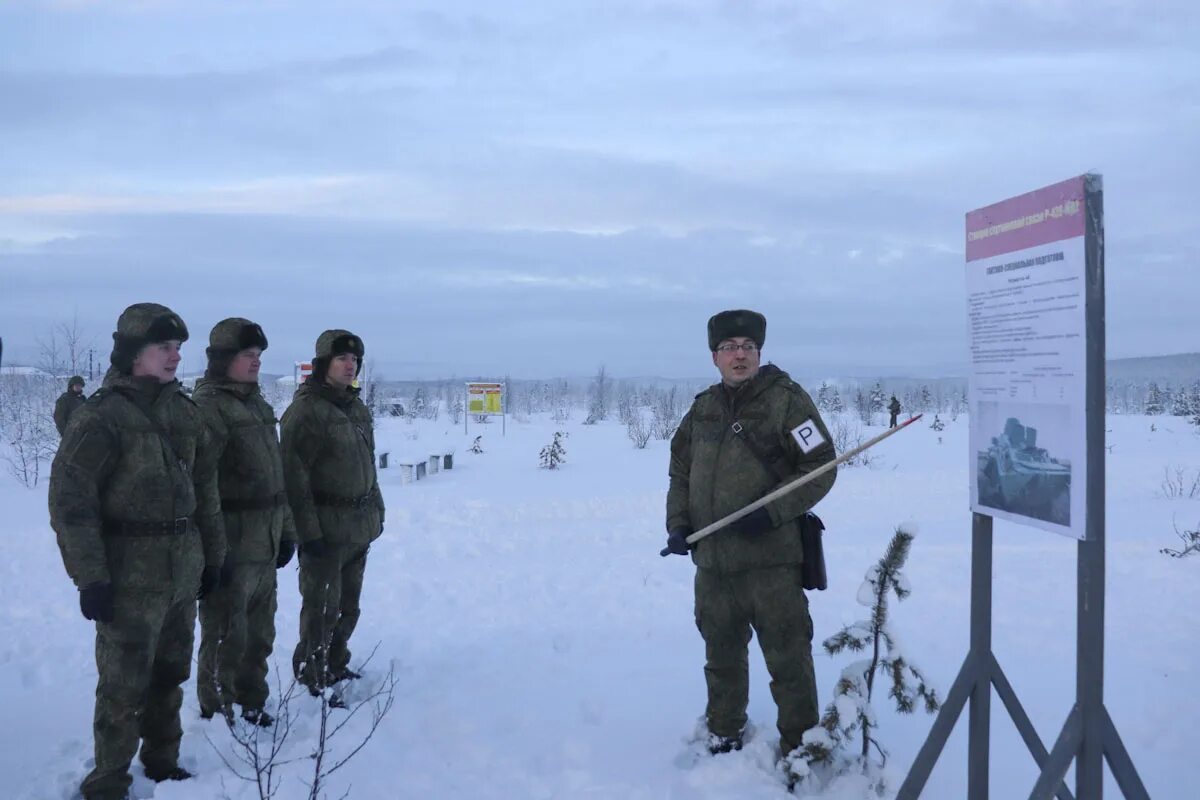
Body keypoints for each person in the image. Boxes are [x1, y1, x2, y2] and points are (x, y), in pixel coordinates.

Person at [48, 303, 226, 800]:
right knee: (123, 683)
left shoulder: (184, 411)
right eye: (162, 347)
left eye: (177, 348)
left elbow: (205, 490)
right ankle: (108, 780)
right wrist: (91, 578)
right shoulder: (101, 417)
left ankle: (163, 760)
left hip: (181, 568)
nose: (174, 357)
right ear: (131, 354)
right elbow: (71, 502)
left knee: (171, 673)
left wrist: (213, 558)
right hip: (128, 574)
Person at [664, 309, 837, 765]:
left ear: (759, 352)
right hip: (714, 564)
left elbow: (820, 466)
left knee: (789, 662)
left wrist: (772, 511)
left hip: (771, 564)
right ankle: (723, 732)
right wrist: (678, 525)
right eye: (729, 348)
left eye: (747, 347)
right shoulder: (703, 408)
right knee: (720, 657)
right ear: (714, 357)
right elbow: (680, 470)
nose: (739, 355)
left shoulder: (786, 401)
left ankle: (802, 750)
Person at [194, 318, 297, 726]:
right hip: (231, 547)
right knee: (224, 637)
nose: (254, 363)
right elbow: (203, 489)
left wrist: (286, 532)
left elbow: (277, 479)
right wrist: (214, 555)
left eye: (258, 356)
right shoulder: (207, 408)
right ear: (222, 360)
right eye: (246, 356)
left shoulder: (258, 405)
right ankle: (219, 715)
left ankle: (252, 702)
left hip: (264, 542)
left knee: (259, 637)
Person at [281, 329, 384, 696]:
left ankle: (336, 663)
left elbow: (367, 465)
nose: (349, 365)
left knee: (348, 607)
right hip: (325, 530)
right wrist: (308, 534)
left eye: (355, 360)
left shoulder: (355, 407)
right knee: (321, 609)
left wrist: (377, 511)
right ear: (324, 363)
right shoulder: (306, 411)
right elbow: (294, 480)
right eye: (342, 358)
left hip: (358, 527)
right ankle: (313, 674)